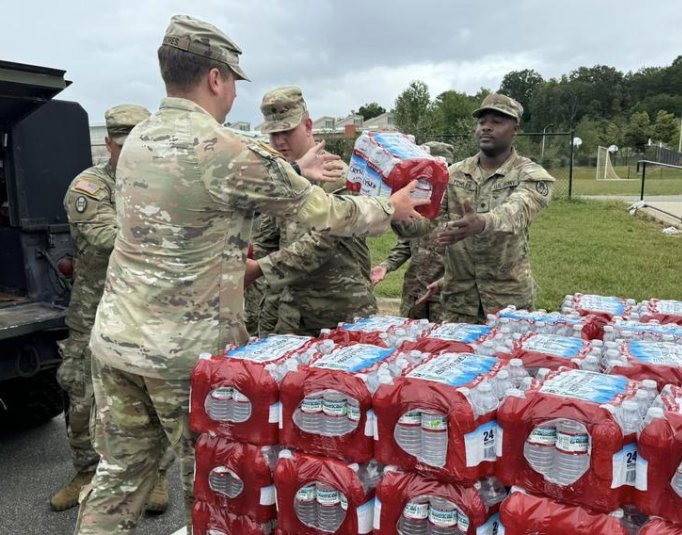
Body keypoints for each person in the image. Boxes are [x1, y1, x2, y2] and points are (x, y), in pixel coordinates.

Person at [75, 14, 425, 534]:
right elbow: (324, 213)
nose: (234, 93)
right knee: (214, 478)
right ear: (216, 78)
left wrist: (293, 172)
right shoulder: (226, 148)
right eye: (234, 81)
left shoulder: (140, 139)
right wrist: (388, 206)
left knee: (120, 474)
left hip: (116, 340)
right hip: (185, 352)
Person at [52, 105, 173, 514]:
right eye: (125, 145)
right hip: (95, 309)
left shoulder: (164, 182)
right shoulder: (89, 187)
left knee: (153, 393)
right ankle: (86, 472)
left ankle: (155, 474)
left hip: (148, 309)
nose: (133, 153)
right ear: (108, 144)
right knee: (83, 395)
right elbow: (110, 238)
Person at [398, 94, 555, 324]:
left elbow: (517, 212)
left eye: (497, 122)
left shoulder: (531, 174)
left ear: (515, 129)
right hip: (459, 303)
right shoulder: (452, 174)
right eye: (482, 123)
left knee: (509, 360)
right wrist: (397, 213)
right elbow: (426, 222)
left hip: (507, 303)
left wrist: (481, 223)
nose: (486, 128)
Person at [253, 86, 377, 336]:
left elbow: (322, 242)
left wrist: (258, 268)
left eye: (287, 131)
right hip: (291, 313)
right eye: (273, 133)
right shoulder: (284, 177)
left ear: (308, 126)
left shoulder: (336, 175)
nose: (279, 141)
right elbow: (265, 241)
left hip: (340, 315)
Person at [370, 141, 453, 322]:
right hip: (414, 292)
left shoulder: (459, 203)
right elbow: (406, 244)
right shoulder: (418, 201)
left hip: (445, 295)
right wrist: (386, 266)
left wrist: (447, 282)